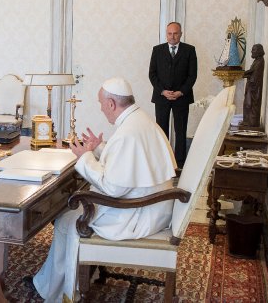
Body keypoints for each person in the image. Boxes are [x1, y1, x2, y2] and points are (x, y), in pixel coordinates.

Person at [27, 78, 177, 302]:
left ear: (111, 104)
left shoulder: (128, 132)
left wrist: (85, 157)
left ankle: (58, 291)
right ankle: (59, 280)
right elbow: (128, 163)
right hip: (151, 205)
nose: (100, 108)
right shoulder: (139, 120)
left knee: (66, 221)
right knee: (68, 217)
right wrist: (98, 149)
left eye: (100, 103)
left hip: (136, 214)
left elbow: (113, 187)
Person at [149, 21, 197, 166]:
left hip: (181, 98)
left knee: (180, 131)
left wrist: (181, 92)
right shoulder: (157, 50)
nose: (172, 36)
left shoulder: (189, 50)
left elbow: (192, 75)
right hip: (162, 97)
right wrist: (163, 91)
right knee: (162, 131)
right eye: (169, 33)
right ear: (166, 34)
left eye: (175, 33)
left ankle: (180, 164)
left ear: (181, 34)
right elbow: (152, 74)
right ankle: (163, 162)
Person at [242, 44, 265, 128]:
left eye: (253, 50)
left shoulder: (260, 61)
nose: (251, 51)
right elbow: (252, 71)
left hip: (254, 89)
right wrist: (245, 74)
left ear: (259, 51)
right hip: (251, 87)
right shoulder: (256, 61)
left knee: (251, 105)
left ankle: (251, 123)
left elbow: (255, 76)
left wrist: (246, 74)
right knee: (247, 105)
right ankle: (247, 121)